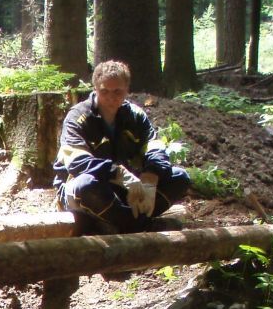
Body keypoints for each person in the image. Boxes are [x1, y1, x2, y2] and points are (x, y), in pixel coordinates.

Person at [54, 60, 192, 234]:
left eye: (118, 92)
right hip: (84, 191)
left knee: (179, 177)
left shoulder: (135, 116)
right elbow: (78, 163)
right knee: (86, 185)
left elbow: (155, 148)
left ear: (127, 89)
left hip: (124, 191)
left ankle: (120, 222)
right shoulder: (78, 117)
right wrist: (118, 173)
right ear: (95, 88)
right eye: (105, 91)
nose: (111, 98)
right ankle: (139, 225)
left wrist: (150, 180)